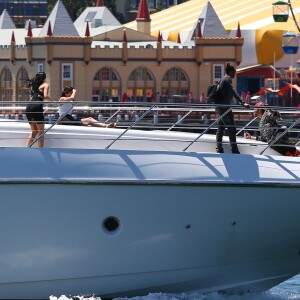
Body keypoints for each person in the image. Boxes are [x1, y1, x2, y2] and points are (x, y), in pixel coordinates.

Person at [215, 63, 250, 154]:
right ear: (231, 72)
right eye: (234, 72)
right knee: (232, 128)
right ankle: (234, 149)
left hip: (219, 108)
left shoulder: (222, 79)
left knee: (221, 128)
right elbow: (233, 92)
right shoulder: (227, 79)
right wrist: (243, 102)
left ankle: (219, 148)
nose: (235, 74)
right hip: (224, 108)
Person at [25, 72, 51, 148]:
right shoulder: (45, 85)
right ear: (44, 78)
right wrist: (54, 102)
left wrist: (42, 97)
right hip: (37, 107)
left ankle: (27, 148)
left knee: (34, 131)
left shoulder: (33, 86)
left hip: (29, 107)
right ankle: (41, 150)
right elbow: (46, 96)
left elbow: (36, 96)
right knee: (41, 132)